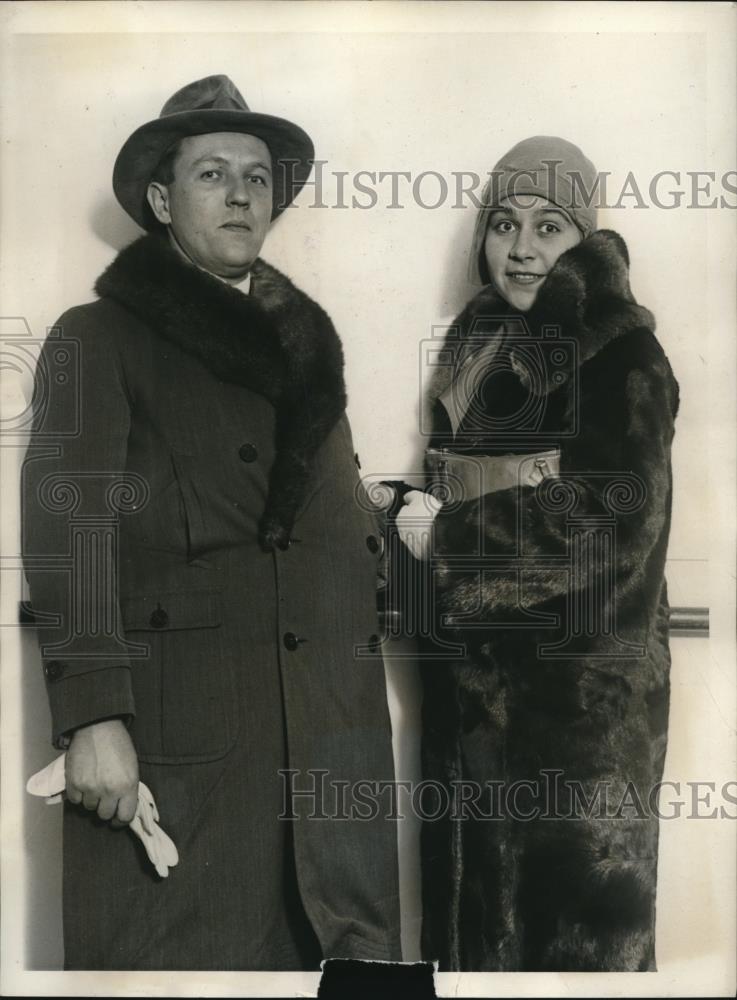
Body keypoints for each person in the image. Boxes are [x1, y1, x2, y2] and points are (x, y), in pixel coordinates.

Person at [22, 74, 401, 970]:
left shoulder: (310, 354)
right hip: (187, 743)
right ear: (160, 200)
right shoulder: (96, 337)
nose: (241, 194)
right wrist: (93, 720)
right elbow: (67, 531)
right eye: (212, 173)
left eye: (258, 177)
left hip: (329, 739)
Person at [396, 136, 679, 970]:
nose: (520, 249)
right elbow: (457, 496)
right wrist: (400, 512)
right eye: (503, 223)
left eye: (548, 227)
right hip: (472, 720)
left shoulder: (619, 353)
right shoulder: (477, 352)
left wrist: (444, 536)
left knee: (572, 956)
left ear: (583, 239)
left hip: (577, 728)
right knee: (474, 952)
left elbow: (609, 520)